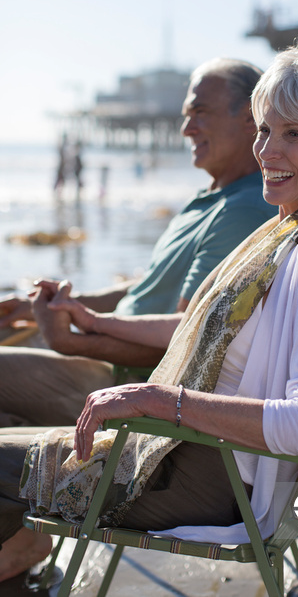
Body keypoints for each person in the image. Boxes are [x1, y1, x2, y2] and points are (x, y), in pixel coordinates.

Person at [0, 44, 298, 583]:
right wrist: (98, 320)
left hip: (208, 476)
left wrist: (159, 399)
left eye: (293, 134)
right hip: (189, 455)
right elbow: (204, 324)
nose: (268, 151)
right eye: (265, 130)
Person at [0, 58, 275, 427]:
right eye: (185, 115)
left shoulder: (241, 212)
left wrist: (74, 340)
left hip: (128, 385)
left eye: (200, 112)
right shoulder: (212, 199)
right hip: (111, 360)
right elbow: (149, 287)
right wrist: (62, 305)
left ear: (249, 118)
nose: (185, 129)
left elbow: (185, 341)